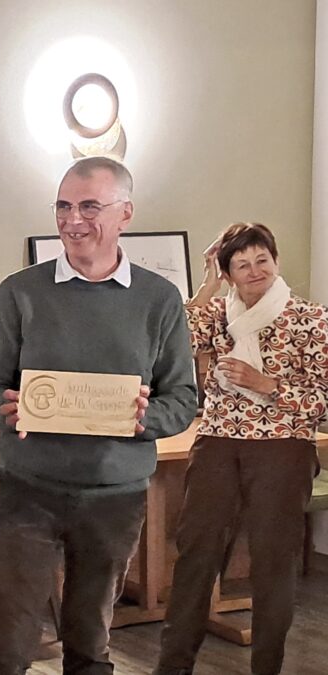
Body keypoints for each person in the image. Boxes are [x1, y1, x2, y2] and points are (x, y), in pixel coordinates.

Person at [0, 156, 198, 674]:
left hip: (115, 496)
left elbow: (182, 400)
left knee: (90, 640)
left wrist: (146, 419)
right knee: (10, 641)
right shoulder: (19, 292)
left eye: (89, 206)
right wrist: (4, 410)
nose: (73, 220)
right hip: (30, 488)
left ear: (125, 213)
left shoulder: (159, 300)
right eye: (63, 206)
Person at [154, 223, 328, 675]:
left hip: (283, 449)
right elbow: (174, 341)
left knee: (273, 562)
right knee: (197, 555)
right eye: (242, 265)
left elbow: (323, 398)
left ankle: (266, 667)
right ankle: (173, 666)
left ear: (276, 261)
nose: (255, 272)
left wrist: (269, 386)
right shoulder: (219, 314)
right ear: (230, 273)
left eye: (262, 261)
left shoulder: (310, 318)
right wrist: (209, 280)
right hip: (216, 444)